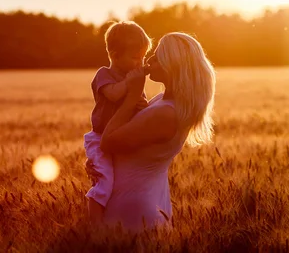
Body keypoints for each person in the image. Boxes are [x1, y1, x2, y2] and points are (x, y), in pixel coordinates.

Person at [86, 32, 216, 231]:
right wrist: (99, 163)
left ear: (173, 65)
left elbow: (108, 142)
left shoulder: (166, 114)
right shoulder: (163, 100)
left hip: (135, 209)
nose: (150, 60)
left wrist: (133, 95)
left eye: (158, 55)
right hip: (137, 200)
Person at [84, 21, 152, 223]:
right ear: (114, 55)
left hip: (120, 139)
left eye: (143, 58)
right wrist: (132, 83)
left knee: (122, 184)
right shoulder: (104, 74)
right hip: (100, 140)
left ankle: (116, 222)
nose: (140, 63)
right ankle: (95, 227)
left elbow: (141, 107)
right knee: (104, 184)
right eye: (135, 58)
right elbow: (113, 95)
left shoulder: (133, 78)